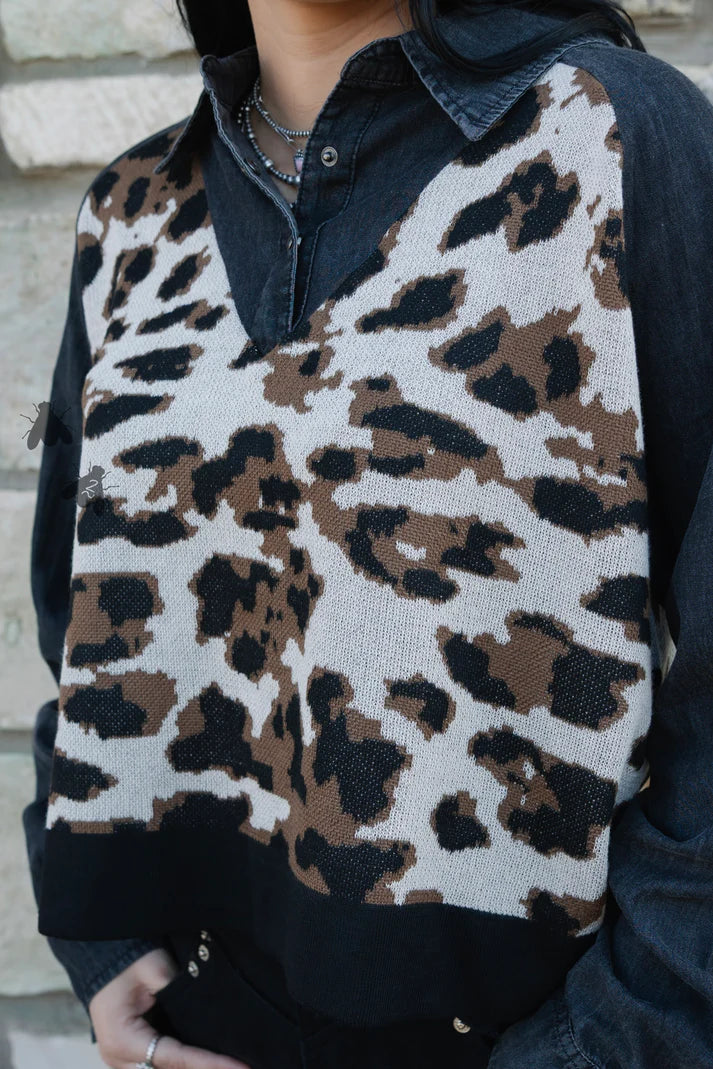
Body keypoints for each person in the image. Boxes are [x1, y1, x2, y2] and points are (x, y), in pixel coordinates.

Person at [22, 0, 713, 1067]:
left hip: (524, 1035)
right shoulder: (131, 210)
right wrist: (99, 939)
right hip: (199, 1020)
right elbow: (75, 609)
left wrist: (617, 1039)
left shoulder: (611, 137)